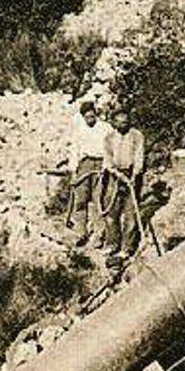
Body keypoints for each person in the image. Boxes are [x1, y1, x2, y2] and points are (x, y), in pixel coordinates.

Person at [99, 108, 147, 267]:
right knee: (111, 213)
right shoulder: (109, 138)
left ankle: (127, 248)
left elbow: (139, 157)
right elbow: (107, 160)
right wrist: (117, 174)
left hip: (132, 175)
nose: (122, 125)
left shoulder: (136, 136)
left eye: (125, 122)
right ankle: (112, 244)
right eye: (119, 122)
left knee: (130, 215)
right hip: (114, 176)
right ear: (114, 123)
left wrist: (134, 175)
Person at [66, 97, 107, 246]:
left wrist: (106, 166)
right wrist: (73, 171)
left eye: (92, 116)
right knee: (80, 200)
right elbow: (74, 150)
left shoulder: (105, 128)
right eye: (87, 117)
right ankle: (81, 232)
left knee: (99, 200)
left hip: (101, 164)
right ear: (82, 117)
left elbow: (110, 148)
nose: (90, 119)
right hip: (84, 164)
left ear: (96, 114)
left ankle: (99, 234)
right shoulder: (79, 130)